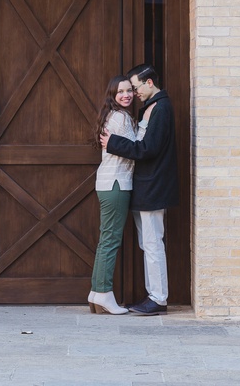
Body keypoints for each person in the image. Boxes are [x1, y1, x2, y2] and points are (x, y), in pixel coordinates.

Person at [99, 64, 179, 316]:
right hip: (144, 187)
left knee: (153, 243)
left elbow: (149, 149)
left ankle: (158, 298)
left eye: (135, 88)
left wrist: (114, 143)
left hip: (153, 187)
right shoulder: (150, 108)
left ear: (150, 83)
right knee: (148, 243)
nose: (133, 93)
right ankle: (153, 296)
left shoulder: (161, 108)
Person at [88, 75, 136, 315]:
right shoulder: (121, 118)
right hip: (117, 184)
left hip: (107, 183)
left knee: (105, 239)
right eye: (120, 92)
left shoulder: (112, 115)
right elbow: (135, 149)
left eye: (129, 90)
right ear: (112, 95)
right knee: (110, 240)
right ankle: (105, 294)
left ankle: (97, 292)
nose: (126, 95)